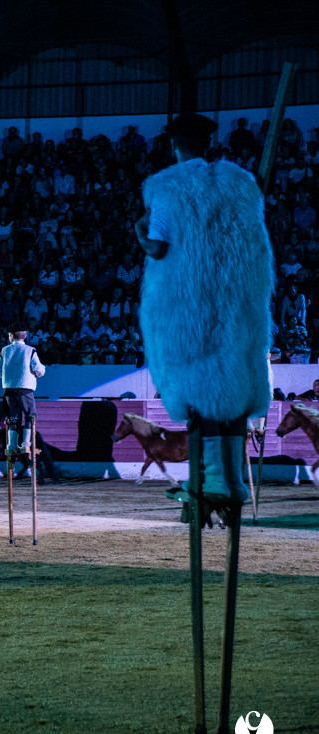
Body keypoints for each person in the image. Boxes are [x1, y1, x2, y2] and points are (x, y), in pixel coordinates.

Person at [135, 112, 274, 503]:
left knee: (201, 392)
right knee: (232, 389)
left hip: (190, 308)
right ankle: (235, 482)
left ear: (174, 145)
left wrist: (139, 229)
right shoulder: (240, 184)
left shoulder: (168, 187)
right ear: (209, 143)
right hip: (235, 306)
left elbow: (157, 247)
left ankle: (210, 482)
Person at [0, 325, 45, 457]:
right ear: (25, 335)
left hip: (9, 389)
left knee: (13, 417)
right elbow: (39, 369)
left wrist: (7, 375)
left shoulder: (5, 350)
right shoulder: (30, 350)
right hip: (25, 388)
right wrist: (36, 374)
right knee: (30, 415)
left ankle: (11, 444)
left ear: (11, 336)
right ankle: (25, 443)